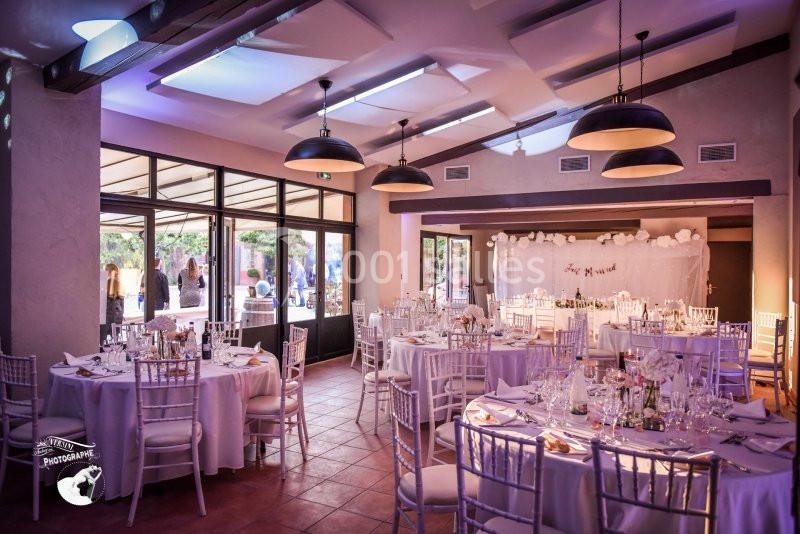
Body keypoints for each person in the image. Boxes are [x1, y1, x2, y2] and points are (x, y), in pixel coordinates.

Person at [101, 263, 124, 341]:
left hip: (107, 316)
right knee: (115, 339)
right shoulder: (119, 284)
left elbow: (103, 303)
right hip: (117, 316)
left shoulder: (105, 283)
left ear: (108, 271)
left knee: (104, 341)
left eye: (105, 270)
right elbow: (121, 303)